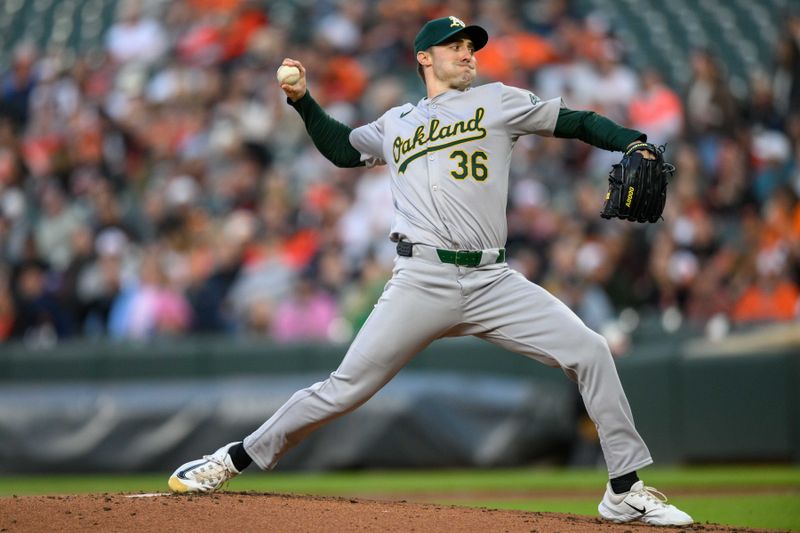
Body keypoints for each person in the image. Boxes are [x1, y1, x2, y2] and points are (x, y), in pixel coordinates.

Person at [168, 16, 692, 526]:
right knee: (343, 388)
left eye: (471, 46)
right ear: (425, 57)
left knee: (591, 350)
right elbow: (341, 149)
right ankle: (233, 459)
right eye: (455, 45)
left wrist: (631, 139)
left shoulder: (498, 100)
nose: (468, 54)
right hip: (422, 279)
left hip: (493, 280)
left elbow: (576, 120)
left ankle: (624, 490)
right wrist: (303, 100)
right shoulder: (396, 122)